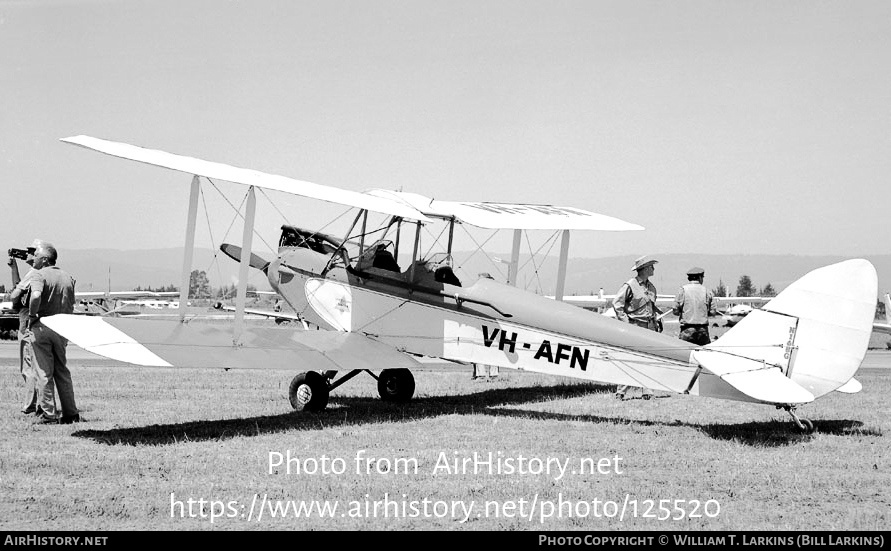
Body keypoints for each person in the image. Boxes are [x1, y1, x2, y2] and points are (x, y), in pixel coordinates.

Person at [23, 242, 79, 424]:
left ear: (45, 259)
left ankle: (48, 413)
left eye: (36, 255)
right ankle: (71, 413)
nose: (33, 259)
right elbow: (71, 302)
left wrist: (32, 315)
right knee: (62, 370)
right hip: (63, 328)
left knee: (43, 372)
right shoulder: (67, 277)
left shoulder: (39, 275)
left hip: (42, 326)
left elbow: (36, 296)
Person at [7, 240, 56, 416]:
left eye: (32, 252)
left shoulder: (35, 273)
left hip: (27, 320)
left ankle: (31, 404)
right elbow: (19, 286)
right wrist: (14, 269)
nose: (29, 255)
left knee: (29, 366)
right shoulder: (38, 272)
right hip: (35, 321)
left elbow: (15, 294)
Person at [612, 255, 662, 400]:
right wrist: (626, 323)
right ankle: (621, 391)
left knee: (649, 358)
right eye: (651, 266)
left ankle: (647, 391)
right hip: (634, 326)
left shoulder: (651, 287)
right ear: (645, 269)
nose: (653, 269)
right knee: (629, 359)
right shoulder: (629, 285)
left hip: (649, 326)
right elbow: (617, 305)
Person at [673, 267, 717, 346]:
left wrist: (684, 313)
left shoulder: (682, 290)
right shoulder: (707, 291)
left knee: (684, 354)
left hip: (686, 330)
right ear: (700, 278)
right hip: (703, 330)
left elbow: (675, 310)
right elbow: (713, 312)